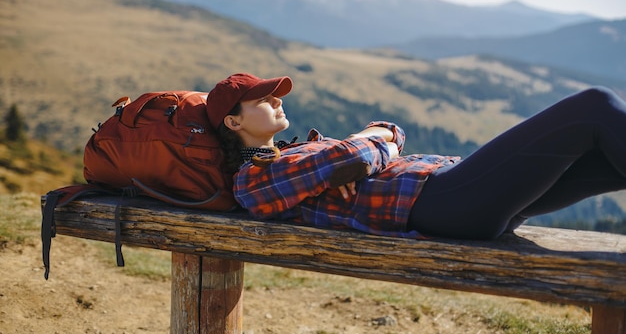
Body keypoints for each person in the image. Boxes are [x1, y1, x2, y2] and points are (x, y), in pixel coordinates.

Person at [206, 73, 626, 239]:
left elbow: (386, 132)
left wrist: (373, 143)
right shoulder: (254, 179)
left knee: (607, 160)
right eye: (262, 98)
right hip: (442, 202)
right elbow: (352, 156)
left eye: (276, 93)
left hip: (452, 192)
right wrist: (368, 145)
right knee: (594, 105)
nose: (277, 100)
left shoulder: (289, 154)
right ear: (233, 124)